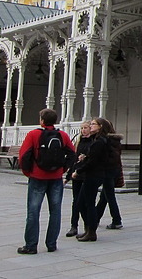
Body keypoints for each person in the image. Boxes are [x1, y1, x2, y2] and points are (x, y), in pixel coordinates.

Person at [17, 108, 76, 254]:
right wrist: (62, 169)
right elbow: (72, 154)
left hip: (37, 176)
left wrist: (28, 172)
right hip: (55, 177)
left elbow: (24, 155)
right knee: (55, 211)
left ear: (42, 120)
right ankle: (51, 244)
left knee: (33, 211)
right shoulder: (62, 135)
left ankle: (31, 245)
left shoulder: (34, 134)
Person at [73, 117, 113, 242]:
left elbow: (93, 161)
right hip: (95, 174)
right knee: (83, 203)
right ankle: (89, 229)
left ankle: (91, 231)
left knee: (87, 203)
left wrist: (79, 171)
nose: (91, 126)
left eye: (93, 124)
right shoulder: (99, 140)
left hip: (93, 175)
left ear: (100, 126)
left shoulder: (100, 142)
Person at [64, 121, 91, 237]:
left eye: (85, 128)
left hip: (87, 175)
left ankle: (88, 226)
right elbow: (75, 160)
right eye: (82, 128)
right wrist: (68, 176)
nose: (83, 130)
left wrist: (85, 158)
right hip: (76, 174)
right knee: (76, 201)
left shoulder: (93, 142)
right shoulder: (79, 141)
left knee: (84, 202)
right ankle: (73, 226)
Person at [96, 121, 124, 230]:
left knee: (109, 195)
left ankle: (117, 220)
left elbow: (109, 158)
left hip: (108, 171)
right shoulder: (115, 141)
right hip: (113, 170)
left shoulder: (106, 141)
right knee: (104, 196)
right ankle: (96, 217)